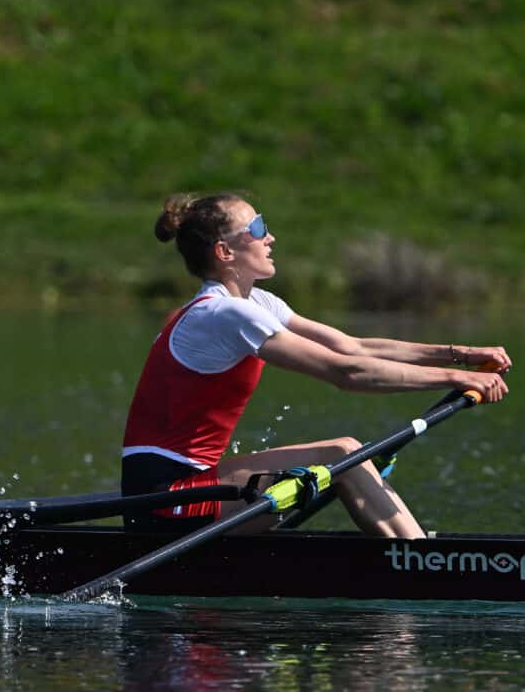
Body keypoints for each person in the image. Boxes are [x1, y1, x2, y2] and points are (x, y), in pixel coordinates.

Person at [121, 193, 510, 538]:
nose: (270, 237)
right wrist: (457, 377)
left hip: (198, 488)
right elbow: (346, 373)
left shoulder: (258, 304)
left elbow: (351, 346)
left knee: (345, 453)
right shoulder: (223, 314)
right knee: (343, 453)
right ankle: (422, 563)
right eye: (257, 227)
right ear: (225, 252)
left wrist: (460, 353)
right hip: (164, 500)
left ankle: (417, 558)